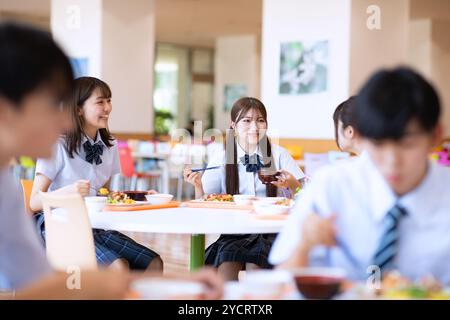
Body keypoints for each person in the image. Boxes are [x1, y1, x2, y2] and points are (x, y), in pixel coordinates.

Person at [0, 22, 222, 299]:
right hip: (61, 222)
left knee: (146, 263)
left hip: (96, 223)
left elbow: (38, 286)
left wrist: (179, 284)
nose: (61, 117)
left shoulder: (6, 189)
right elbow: (35, 207)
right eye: (50, 102)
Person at [269, 67, 450, 283]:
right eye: (378, 144)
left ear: (435, 136)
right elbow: (282, 280)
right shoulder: (331, 186)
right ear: (360, 137)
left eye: (406, 144)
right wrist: (304, 246)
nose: (392, 161)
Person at [30, 76, 163, 272]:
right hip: (57, 225)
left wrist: (139, 197)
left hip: (94, 224)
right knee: (118, 267)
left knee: (154, 263)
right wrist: (69, 192)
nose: (107, 108)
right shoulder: (56, 145)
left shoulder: (110, 146)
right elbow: (34, 202)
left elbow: (104, 195)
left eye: (109, 101)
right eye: (100, 102)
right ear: (78, 109)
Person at [184, 97, 305, 280]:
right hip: (234, 231)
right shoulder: (224, 156)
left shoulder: (279, 154)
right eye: (247, 121)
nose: (254, 127)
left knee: (256, 263)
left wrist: (292, 185)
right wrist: (198, 186)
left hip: (271, 231)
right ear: (233, 125)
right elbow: (206, 202)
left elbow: (305, 196)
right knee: (226, 262)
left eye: (260, 120)